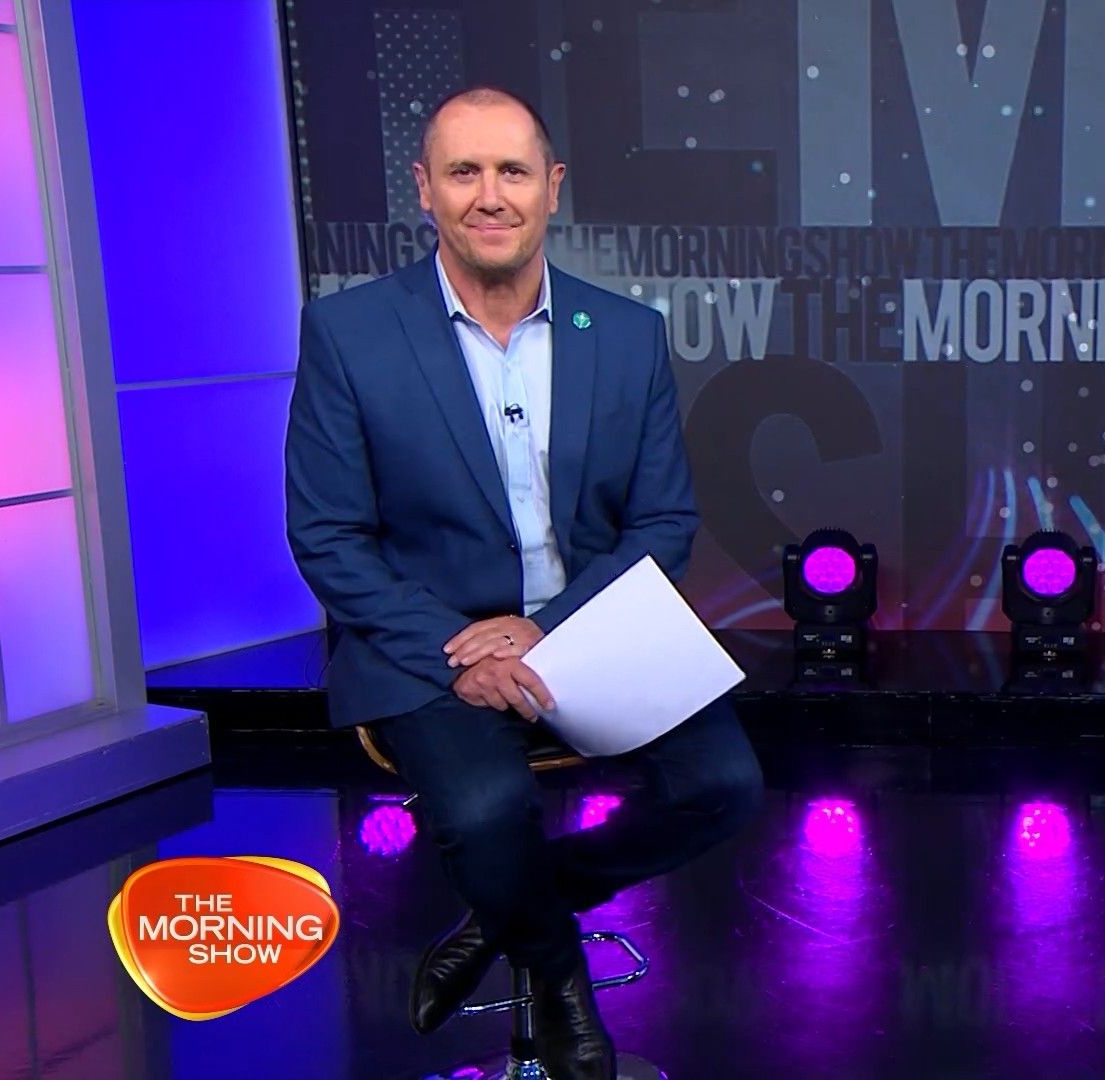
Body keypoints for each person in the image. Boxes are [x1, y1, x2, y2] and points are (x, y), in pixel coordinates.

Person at [284, 86, 762, 1080]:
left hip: (585, 628)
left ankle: (508, 912)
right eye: (463, 172)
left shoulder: (625, 333)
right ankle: (558, 979)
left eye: (512, 171)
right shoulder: (349, 332)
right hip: (428, 644)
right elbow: (328, 533)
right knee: (484, 811)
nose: (490, 195)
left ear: (553, 187)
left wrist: (549, 630)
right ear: (425, 189)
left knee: (725, 786)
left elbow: (662, 523)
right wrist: (454, 649)